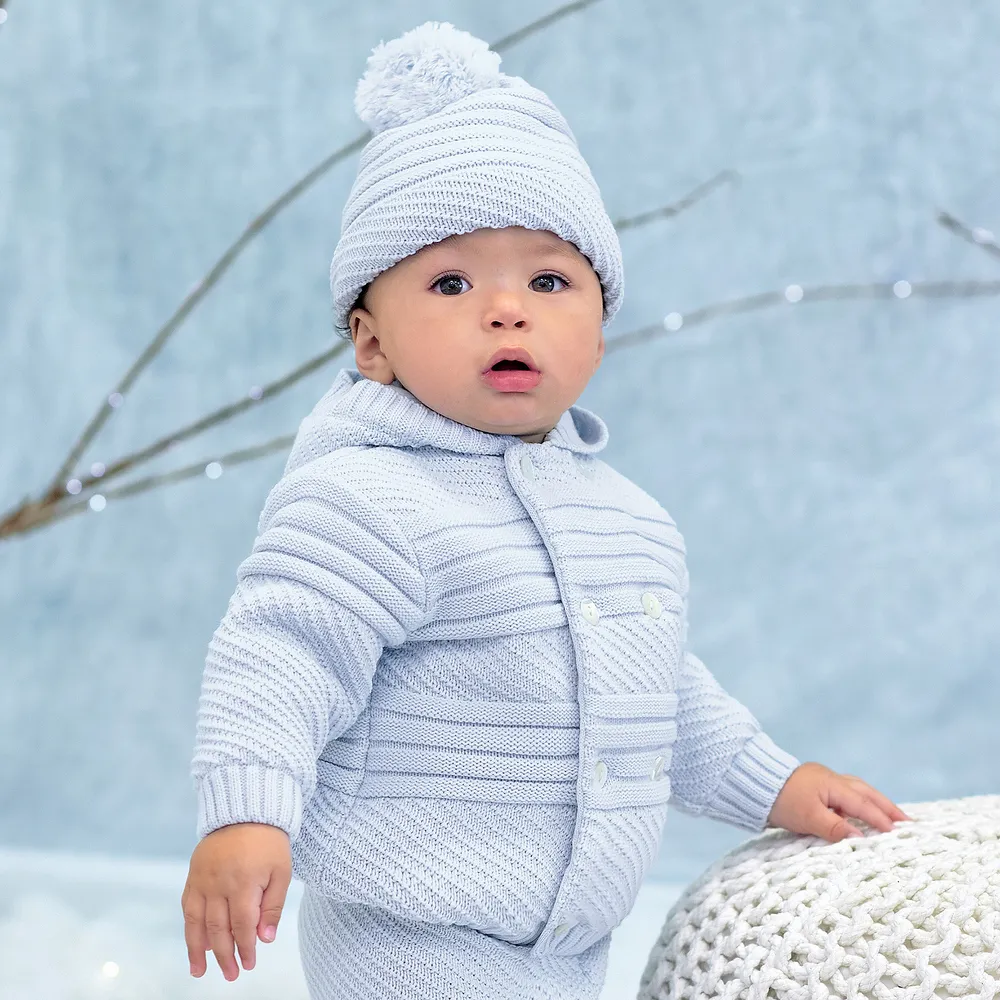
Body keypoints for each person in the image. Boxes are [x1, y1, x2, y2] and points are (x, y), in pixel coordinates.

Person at [181, 21, 911, 1000]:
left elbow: (651, 690)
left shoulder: (628, 520)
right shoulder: (365, 496)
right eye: (449, 280)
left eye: (549, 279)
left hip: (568, 941)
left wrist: (769, 780)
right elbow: (281, 655)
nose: (506, 308)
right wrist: (247, 811)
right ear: (371, 343)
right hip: (408, 933)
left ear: (599, 333)